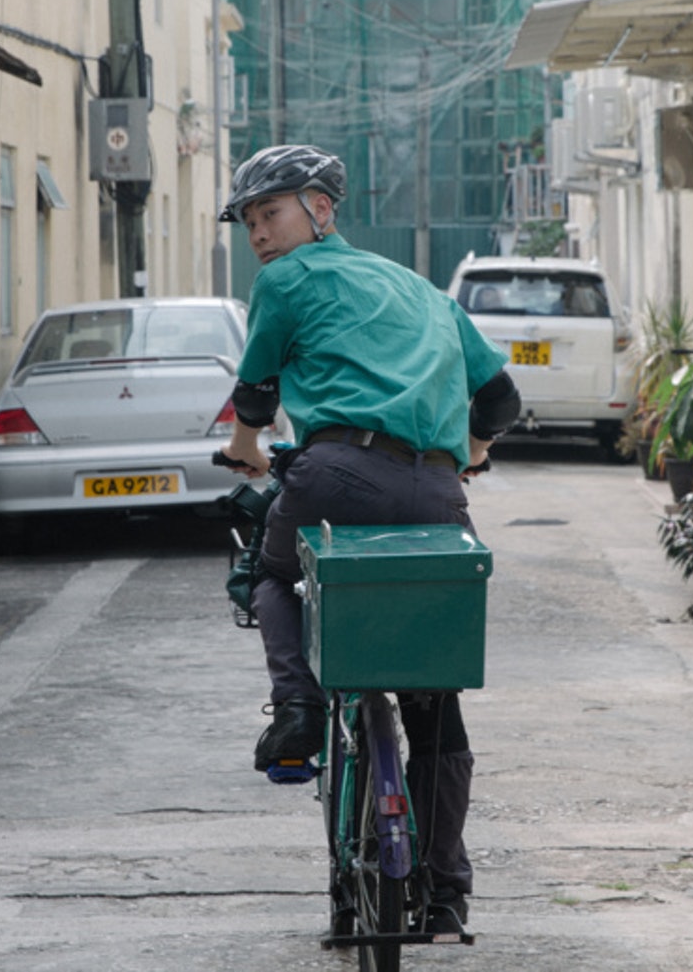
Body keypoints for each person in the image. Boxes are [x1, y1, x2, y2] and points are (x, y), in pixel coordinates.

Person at [215, 144, 520, 935]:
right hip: (437, 494)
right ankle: (444, 894)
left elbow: (256, 393)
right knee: (435, 705)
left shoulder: (285, 280)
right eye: (249, 222)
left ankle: (298, 710)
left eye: (270, 213)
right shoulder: (424, 291)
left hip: (335, 478)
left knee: (270, 575)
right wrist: (472, 454)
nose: (259, 234)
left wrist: (246, 449)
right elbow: (500, 399)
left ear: (321, 209)